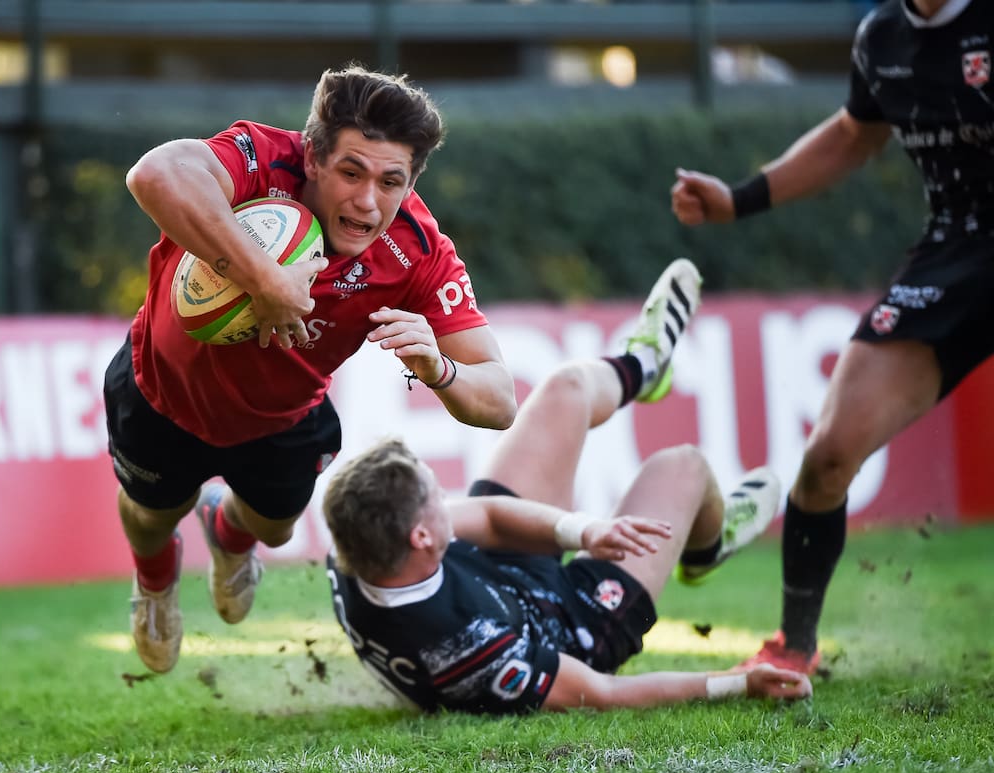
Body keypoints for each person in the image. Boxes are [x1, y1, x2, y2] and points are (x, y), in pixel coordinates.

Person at [105, 65, 521, 674]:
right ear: (314, 158)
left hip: (280, 419)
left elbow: (501, 399)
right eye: (351, 172)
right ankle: (155, 580)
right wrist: (263, 278)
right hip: (160, 391)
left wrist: (439, 369)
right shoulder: (264, 161)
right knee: (150, 517)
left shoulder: (416, 250)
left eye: (390, 182)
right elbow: (154, 175)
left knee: (273, 531)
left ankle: (227, 532)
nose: (367, 201)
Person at [323, 260, 814, 714]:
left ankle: (643, 365)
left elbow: (490, 517)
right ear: (421, 537)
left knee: (566, 391)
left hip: (498, 574)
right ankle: (707, 546)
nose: (445, 498)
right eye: (434, 497)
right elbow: (603, 692)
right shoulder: (471, 650)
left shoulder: (358, 541)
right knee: (682, 466)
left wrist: (582, 532)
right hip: (573, 626)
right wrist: (737, 683)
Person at [669, 0, 993, 674]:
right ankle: (796, 647)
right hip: (956, 252)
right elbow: (852, 135)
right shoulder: (881, 37)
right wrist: (741, 197)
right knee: (827, 459)